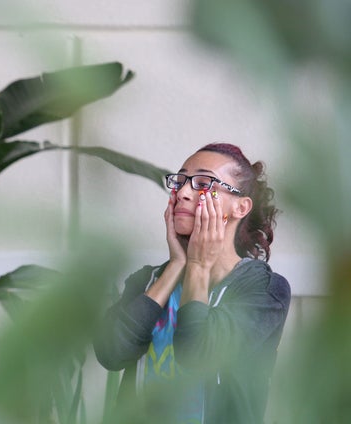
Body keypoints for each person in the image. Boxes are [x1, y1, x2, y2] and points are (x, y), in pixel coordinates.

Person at [94, 143, 291, 423]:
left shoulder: (263, 290)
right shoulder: (146, 280)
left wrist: (198, 265)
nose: (183, 193)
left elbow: (199, 356)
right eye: (181, 181)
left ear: (241, 206)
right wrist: (177, 266)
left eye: (203, 183)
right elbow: (111, 353)